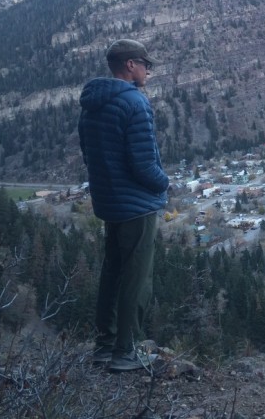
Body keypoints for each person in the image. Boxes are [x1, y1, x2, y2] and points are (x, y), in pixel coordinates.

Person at [78, 39, 169, 371]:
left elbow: (88, 155)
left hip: (110, 202)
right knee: (137, 278)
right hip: (137, 205)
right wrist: (165, 182)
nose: (148, 71)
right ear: (130, 65)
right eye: (146, 64)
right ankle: (127, 351)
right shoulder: (135, 103)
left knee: (113, 272)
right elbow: (144, 165)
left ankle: (105, 345)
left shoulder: (92, 103)